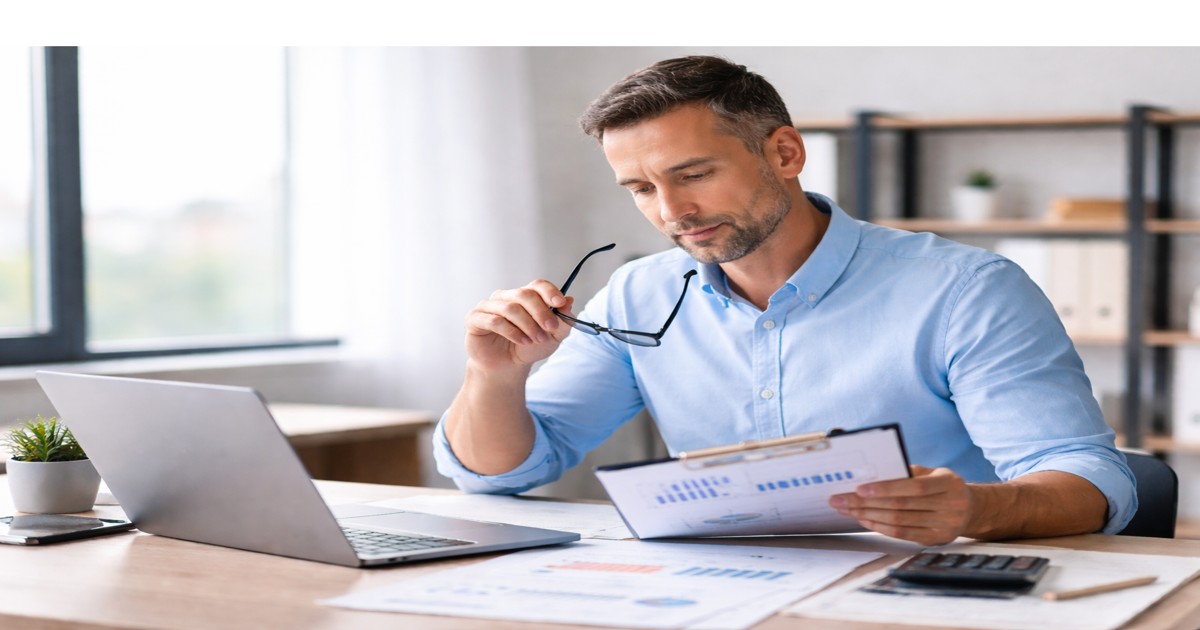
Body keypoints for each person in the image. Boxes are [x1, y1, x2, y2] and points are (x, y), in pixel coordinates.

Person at [433, 55, 1136, 546]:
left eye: (694, 174)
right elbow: (506, 473)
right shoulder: (639, 294)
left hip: (926, 586)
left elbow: (1091, 481)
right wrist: (495, 375)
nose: (671, 210)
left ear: (786, 154)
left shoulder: (965, 292)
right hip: (728, 590)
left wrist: (973, 507)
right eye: (642, 190)